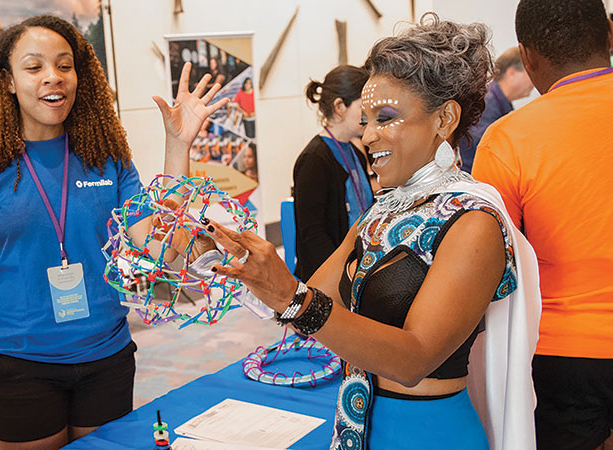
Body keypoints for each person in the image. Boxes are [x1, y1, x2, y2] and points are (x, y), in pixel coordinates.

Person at [193, 14, 541, 449]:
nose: (369, 136)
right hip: (358, 427)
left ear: (444, 118)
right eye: (367, 121)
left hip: (428, 434)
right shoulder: (380, 211)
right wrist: (245, 264)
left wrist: (290, 297)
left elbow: (413, 358)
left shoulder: (474, 221)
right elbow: (313, 306)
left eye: (386, 118)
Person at [0, 15, 225, 450]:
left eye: (64, 65)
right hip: (19, 364)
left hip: (107, 356)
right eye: (34, 66)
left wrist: (178, 146)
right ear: (7, 81)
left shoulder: (106, 158)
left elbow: (160, 248)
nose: (52, 78)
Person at [472, 1, 613, 449]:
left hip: (562, 354)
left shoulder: (508, 141)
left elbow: (488, 266)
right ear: (610, 34)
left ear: (526, 58)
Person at [293, 65, 374, 282]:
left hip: (355, 268)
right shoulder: (315, 159)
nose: (369, 116)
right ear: (340, 107)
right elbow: (312, 235)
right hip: (329, 279)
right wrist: (342, 275)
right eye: (363, 107)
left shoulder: (355, 150)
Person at [458, 47, 534, 173]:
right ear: (512, 73)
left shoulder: (496, 102)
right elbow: (476, 147)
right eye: (529, 73)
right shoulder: (486, 103)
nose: (533, 81)